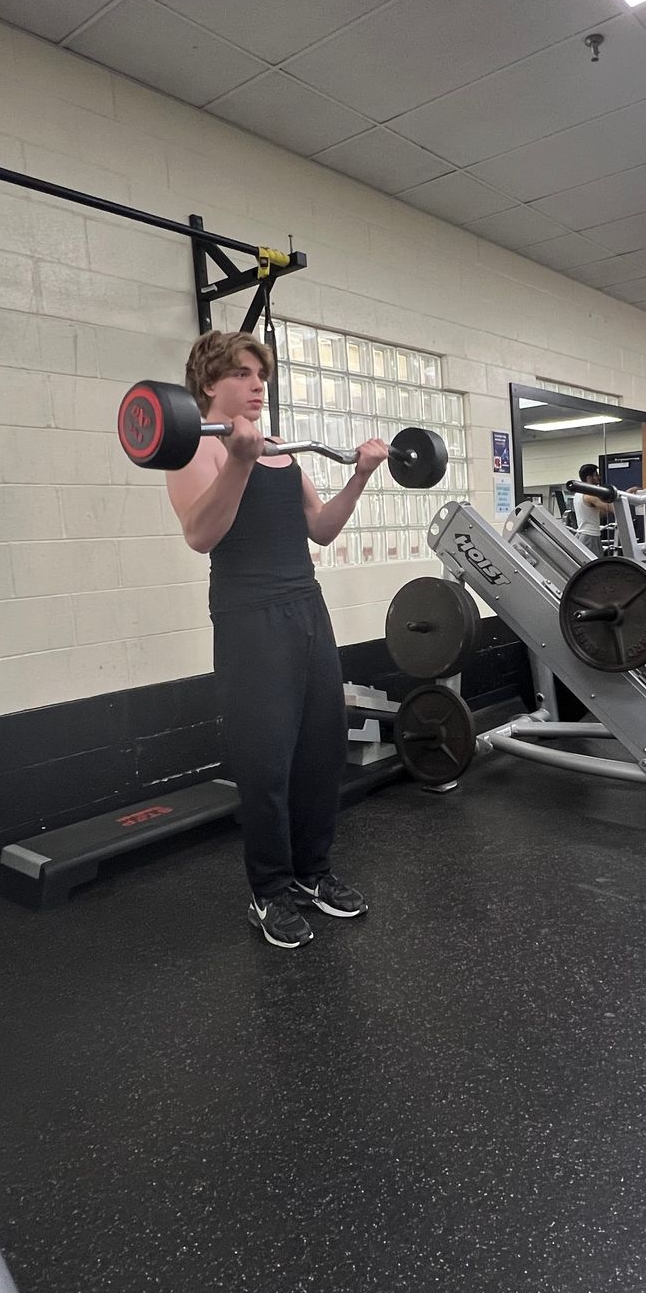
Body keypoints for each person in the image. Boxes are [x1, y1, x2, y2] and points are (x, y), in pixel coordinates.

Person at [166, 330, 378, 950]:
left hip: (306, 607)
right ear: (210, 383)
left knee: (322, 747)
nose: (260, 384)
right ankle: (270, 892)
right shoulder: (193, 449)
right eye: (244, 373)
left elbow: (321, 529)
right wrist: (237, 459)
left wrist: (361, 477)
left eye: (263, 374)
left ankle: (314, 873)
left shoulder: (283, 448)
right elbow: (201, 536)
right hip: (247, 614)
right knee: (265, 762)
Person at [571, 463, 612, 549]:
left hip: (588, 535)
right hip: (589, 536)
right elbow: (611, 508)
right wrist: (625, 496)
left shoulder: (578, 494)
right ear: (589, 478)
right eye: (596, 475)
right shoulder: (590, 495)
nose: (599, 478)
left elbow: (600, 513)